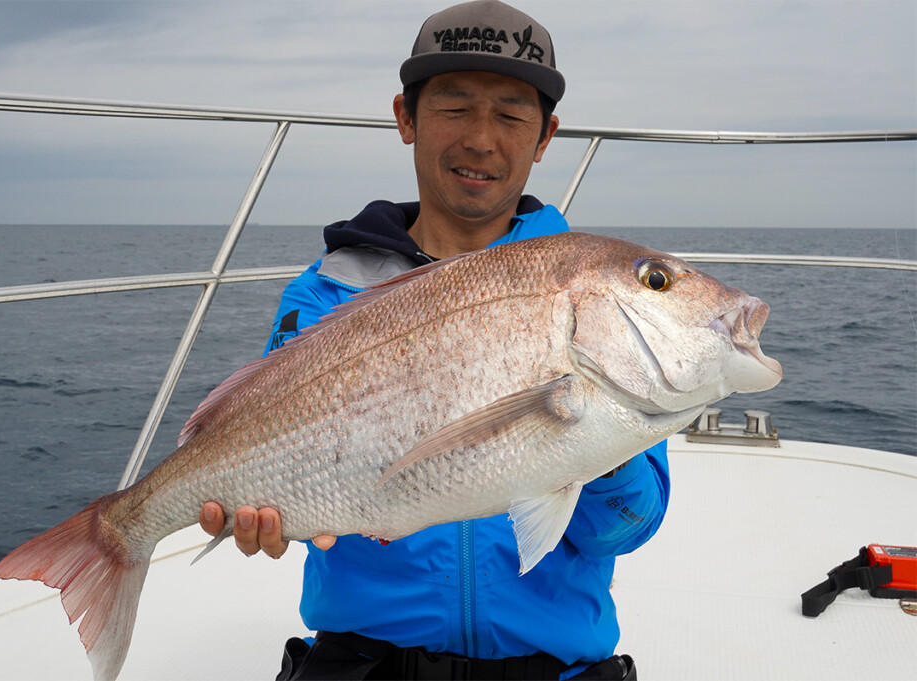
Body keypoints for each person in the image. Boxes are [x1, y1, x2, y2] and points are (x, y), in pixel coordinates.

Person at [199, 2, 670, 679]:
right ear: (405, 117)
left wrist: (586, 433)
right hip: (362, 662)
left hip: (554, 665)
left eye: (511, 114)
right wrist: (262, 513)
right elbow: (274, 457)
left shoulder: (594, 296)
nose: (482, 139)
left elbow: (626, 525)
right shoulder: (325, 291)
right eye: (454, 107)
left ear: (545, 137)